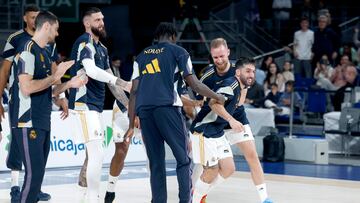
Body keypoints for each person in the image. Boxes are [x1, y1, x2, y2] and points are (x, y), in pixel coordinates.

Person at [124, 22, 225, 203]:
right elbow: (194, 84)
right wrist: (217, 96)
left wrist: (131, 124)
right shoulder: (179, 52)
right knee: (183, 159)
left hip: (145, 112)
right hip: (167, 109)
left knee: (156, 163)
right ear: (173, 36)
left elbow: (133, 92)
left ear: (157, 37)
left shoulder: (140, 57)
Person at [9, 11, 86, 203]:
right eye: (56, 29)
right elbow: (26, 88)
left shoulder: (44, 51)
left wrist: (68, 84)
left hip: (42, 119)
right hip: (27, 121)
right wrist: (55, 75)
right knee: (33, 176)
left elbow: (47, 88)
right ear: (46, 26)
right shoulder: (27, 49)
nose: (58, 34)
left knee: (38, 176)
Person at [195, 38, 273, 203]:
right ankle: (202, 194)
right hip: (215, 122)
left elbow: (240, 100)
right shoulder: (207, 75)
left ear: (228, 52)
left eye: (222, 56)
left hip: (235, 118)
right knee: (211, 166)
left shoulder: (240, 70)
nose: (219, 60)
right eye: (215, 57)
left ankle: (264, 198)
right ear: (211, 56)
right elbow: (201, 101)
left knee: (252, 155)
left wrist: (230, 116)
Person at [0, 4, 64, 202]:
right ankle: (15, 188)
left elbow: (54, 74)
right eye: (32, 16)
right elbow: (6, 71)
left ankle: (33, 190)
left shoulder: (47, 47)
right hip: (23, 107)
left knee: (37, 168)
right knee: (21, 155)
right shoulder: (20, 42)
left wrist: (64, 90)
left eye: (38, 16)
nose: (58, 33)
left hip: (41, 110)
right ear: (26, 19)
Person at [67, 7, 130, 202]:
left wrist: (128, 107)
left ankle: (83, 192)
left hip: (95, 106)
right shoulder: (84, 43)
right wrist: (123, 82)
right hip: (82, 104)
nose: (101, 23)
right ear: (87, 23)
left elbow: (109, 80)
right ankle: (93, 197)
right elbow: (92, 71)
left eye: (102, 19)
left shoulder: (102, 48)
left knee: (93, 154)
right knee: (97, 152)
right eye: (97, 20)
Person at [190, 58, 251, 202]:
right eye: (247, 71)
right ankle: (196, 198)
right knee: (211, 170)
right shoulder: (231, 84)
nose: (251, 75)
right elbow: (214, 103)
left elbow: (239, 103)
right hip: (204, 130)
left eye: (253, 72)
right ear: (238, 72)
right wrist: (231, 120)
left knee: (229, 169)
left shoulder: (239, 88)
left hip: (217, 131)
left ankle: (199, 193)